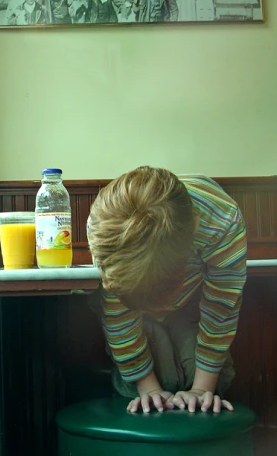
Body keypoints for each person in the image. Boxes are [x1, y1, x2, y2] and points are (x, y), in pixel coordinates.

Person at [87, 167, 247, 414]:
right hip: (131, 312)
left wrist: (202, 391)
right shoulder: (105, 227)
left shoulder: (222, 219)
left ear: (194, 229)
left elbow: (221, 309)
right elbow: (118, 316)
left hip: (191, 302)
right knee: (147, 390)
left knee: (205, 383)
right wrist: (148, 390)